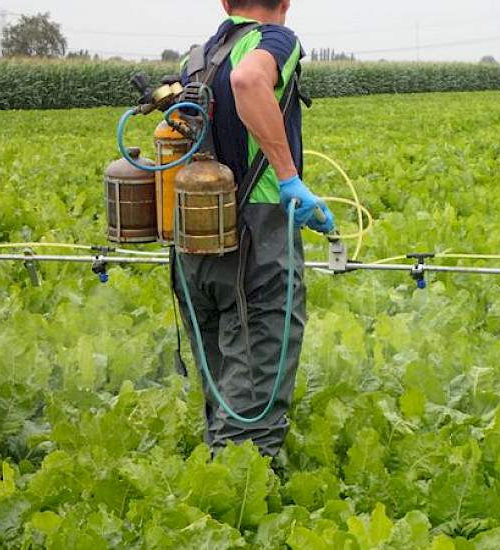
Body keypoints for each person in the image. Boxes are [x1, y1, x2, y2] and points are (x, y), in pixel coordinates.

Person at [170, 0, 335, 459]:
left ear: (225, 3)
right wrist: (288, 178)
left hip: (197, 238)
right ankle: (235, 507)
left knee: (224, 388)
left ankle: (207, 491)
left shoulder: (198, 57)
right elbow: (248, 80)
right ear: (285, 2)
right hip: (255, 235)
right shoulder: (274, 39)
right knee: (250, 409)